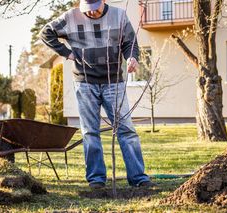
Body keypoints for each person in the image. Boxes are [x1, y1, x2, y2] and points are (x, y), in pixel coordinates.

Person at [41, 0, 153, 189]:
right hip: (85, 83)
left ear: (103, 2)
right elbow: (46, 33)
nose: (91, 13)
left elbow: (130, 42)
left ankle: (139, 178)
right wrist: (66, 53)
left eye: (95, 9)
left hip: (113, 82)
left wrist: (132, 57)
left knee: (126, 130)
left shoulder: (119, 15)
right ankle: (96, 179)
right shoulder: (70, 17)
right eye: (88, 10)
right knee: (90, 132)